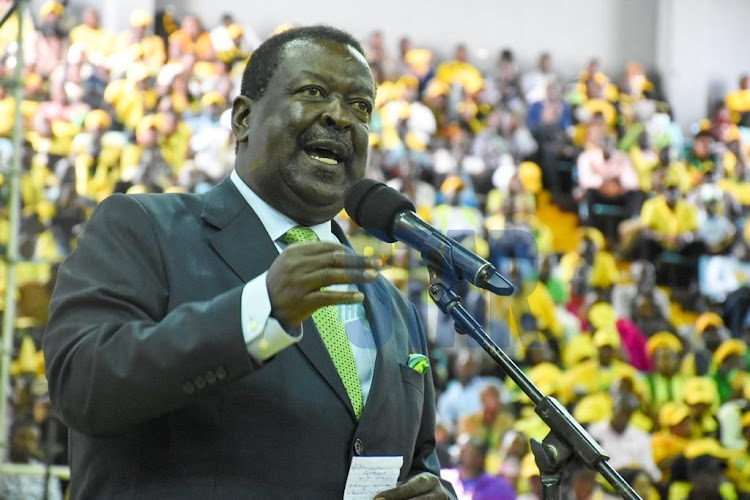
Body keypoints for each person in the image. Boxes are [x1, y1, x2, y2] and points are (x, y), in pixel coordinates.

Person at [43, 26, 453, 498]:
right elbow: (83, 385)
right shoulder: (144, 228)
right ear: (242, 119)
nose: (341, 117)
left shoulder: (394, 308)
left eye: (361, 107)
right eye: (313, 92)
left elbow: (418, 463)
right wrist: (259, 311)